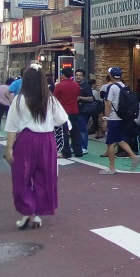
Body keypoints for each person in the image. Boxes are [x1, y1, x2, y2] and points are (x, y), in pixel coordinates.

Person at [3, 66, 68, 230]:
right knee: (45, 176)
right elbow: (61, 119)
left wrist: (9, 148)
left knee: (21, 176)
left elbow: (12, 126)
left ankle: (27, 210)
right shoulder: (49, 99)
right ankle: (37, 214)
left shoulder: (19, 100)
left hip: (26, 139)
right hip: (47, 140)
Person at [101, 67, 140, 175]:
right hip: (123, 117)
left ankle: (112, 167)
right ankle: (133, 156)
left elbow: (108, 104)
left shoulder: (111, 87)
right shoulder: (125, 86)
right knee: (120, 139)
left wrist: (105, 119)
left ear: (111, 76)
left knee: (110, 143)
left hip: (114, 118)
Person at [52, 67, 82, 159]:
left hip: (63, 112)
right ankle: (78, 151)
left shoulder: (59, 86)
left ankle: (66, 152)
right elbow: (77, 96)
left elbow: (54, 98)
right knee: (76, 132)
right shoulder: (76, 85)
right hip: (74, 110)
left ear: (63, 75)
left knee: (64, 133)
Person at [75, 69, 95, 154]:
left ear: (83, 77)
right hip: (75, 110)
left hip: (83, 111)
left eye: (80, 75)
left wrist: (80, 98)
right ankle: (77, 146)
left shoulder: (86, 86)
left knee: (82, 129)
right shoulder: (74, 85)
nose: (78, 77)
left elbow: (91, 98)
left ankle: (84, 147)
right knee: (76, 129)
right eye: (77, 75)